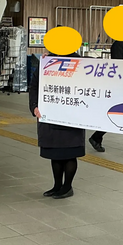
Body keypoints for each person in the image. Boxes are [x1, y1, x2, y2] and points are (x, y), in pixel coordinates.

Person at [29, 54, 85, 199]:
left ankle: (67, 187)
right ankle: (57, 185)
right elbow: (34, 85)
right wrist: (34, 106)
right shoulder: (47, 61)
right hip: (51, 115)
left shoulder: (80, 62)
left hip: (72, 116)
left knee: (69, 152)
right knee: (55, 152)